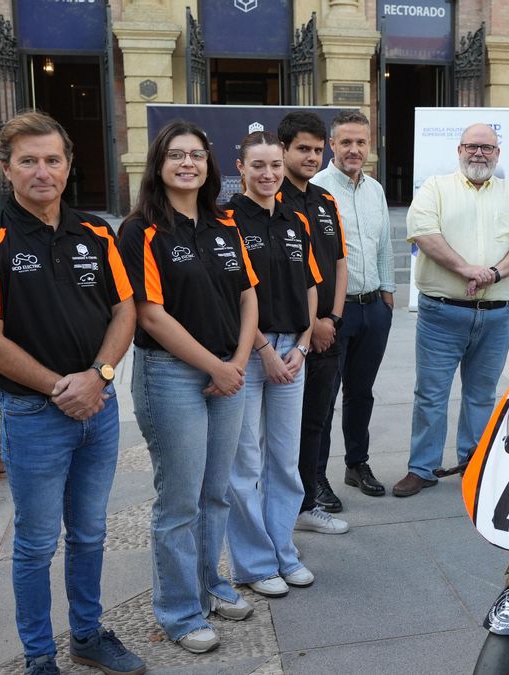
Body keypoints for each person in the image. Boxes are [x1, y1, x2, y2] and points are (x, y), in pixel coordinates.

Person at [0, 111, 144, 675]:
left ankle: (87, 635)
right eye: (28, 161)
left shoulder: (97, 232)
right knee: (35, 543)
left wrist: (98, 377)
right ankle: (38, 656)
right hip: (34, 414)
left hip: (98, 408)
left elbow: (125, 310)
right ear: (6, 168)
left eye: (52, 160)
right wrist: (62, 387)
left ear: (68, 165)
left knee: (90, 532)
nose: (42, 171)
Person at [118, 120, 260, 653]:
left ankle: (210, 585)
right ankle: (179, 612)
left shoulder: (224, 223)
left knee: (215, 492)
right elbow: (150, 315)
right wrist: (215, 368)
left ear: (209, 164)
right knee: (179, 501)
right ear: (158, 164)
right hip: (171, 375)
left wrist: (237, 361)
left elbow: (248, 295)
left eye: (197, 155)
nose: (187, 163)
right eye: (176, 155)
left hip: (229, 369)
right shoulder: (140, 230)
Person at [395, 123, 509, 497]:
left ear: (498, 153)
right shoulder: (435, 189)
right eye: (472, 146)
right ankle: (422, 468)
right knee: (431, 395)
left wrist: (493, 273)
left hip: (497, 316)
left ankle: (473, 465)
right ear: (459, 150)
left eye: (487, 148)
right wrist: (466, 269)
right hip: (442, 314)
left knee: (481, 395)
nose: (479, 153)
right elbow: (424, 234)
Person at [224, 130, 322, 599]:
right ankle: (254, 564)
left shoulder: (295, 219)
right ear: (240, 168)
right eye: (258, 165)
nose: (268, 174)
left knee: (284, 461)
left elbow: (310, 286)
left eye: (275, 165)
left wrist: (301, 346)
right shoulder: (224, 221)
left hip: (292, 353)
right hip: (247, 354)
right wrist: (263, 350)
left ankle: (283, 550)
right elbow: (230, 295)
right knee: (244, 465)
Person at [312, 110, 393, 500]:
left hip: (373, 308)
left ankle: (356, 464)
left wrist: (387, 296)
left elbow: (384, 245)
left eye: (361, 142)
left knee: (362, 393)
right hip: (334, 312)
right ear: (332, 145)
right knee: (324, 398)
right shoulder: (316, 189)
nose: (354, 149)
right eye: (346, 142)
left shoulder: (375, 189)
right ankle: (315, 475)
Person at [277, 111, 351, 531]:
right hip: (288, 337)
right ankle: (278, 512)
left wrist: (333, 318)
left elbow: (339, 262)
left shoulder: (326, 200)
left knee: (315, 424)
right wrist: (312, 326)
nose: (311, 157)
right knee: (280, 431)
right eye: (302, 148)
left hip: (328, 331)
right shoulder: (271, 198)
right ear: (284, 149)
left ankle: (306, 506)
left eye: (318, 150)